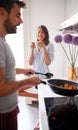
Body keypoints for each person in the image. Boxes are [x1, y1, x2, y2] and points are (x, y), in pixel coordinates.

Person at [0, 1, 41, 130]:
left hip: (8, 111)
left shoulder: (2, 41)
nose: (21, 21)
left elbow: (5, 70)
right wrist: (28, 81)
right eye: (17, 15)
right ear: (1, 13)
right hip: (3, 116)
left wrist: (23, 71)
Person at [19, 25, 54, 102]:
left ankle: (39, 99)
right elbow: (30, 63)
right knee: (17, 91)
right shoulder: (33, 45)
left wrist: (44, 47)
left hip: (44, 78)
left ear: (46, 34)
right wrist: (32, 49)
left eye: (42, 32)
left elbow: (48, 62)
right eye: (38, 32)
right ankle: (36, 96)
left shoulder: (50, 45)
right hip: (34, 77)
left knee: (44, 102)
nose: (40, 34)